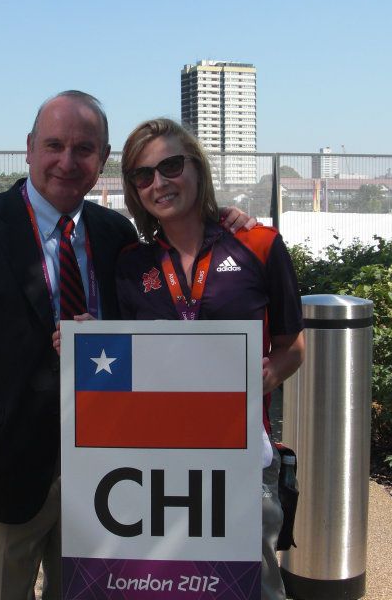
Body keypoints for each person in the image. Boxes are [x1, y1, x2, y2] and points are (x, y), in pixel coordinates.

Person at [0, 91, 255, 600]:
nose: (67, 162)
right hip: (5, 468)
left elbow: (174, 271)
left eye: (84, 149)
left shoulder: (116, 232)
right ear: (29, 148)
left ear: (103, 159)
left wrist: (223, 225)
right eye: (54, 145)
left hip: (106, 471)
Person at [114, 118, 305, 600]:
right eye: (143, 175)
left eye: (171, 166)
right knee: (169, 585)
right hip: (155, 460)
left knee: (250, 584)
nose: (159, 183)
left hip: (239, 452)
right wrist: (78, 343)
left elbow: (292, 345)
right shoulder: (130, 265)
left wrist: (270, 374)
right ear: (135, 191)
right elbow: (118, 360)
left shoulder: (259, 244)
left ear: (197, 169)